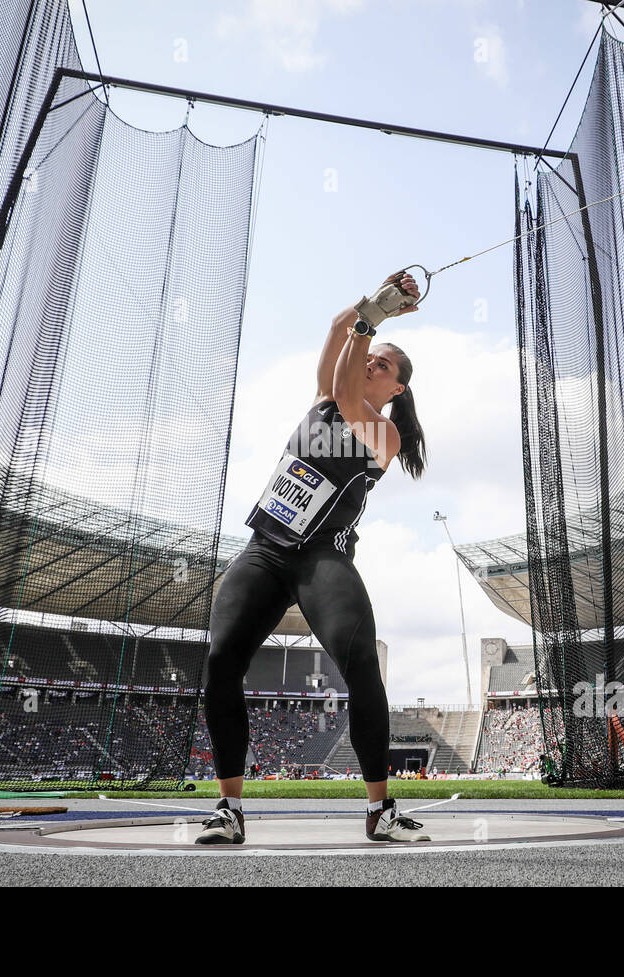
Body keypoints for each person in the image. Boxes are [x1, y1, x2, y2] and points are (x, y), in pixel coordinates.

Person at [196, 271, 430, 845]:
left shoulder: (383, 433)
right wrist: (375, 300)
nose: (372, 363)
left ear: (396, 389)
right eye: (371, 357)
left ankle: (380, 810)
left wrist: (370, 323)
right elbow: (335, 331)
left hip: (321, 559)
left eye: (384, 365)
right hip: (266, 549)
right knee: (222, 659)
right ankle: (229, 810)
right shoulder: (326, 397)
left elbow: (353, 391)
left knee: (361, 667)